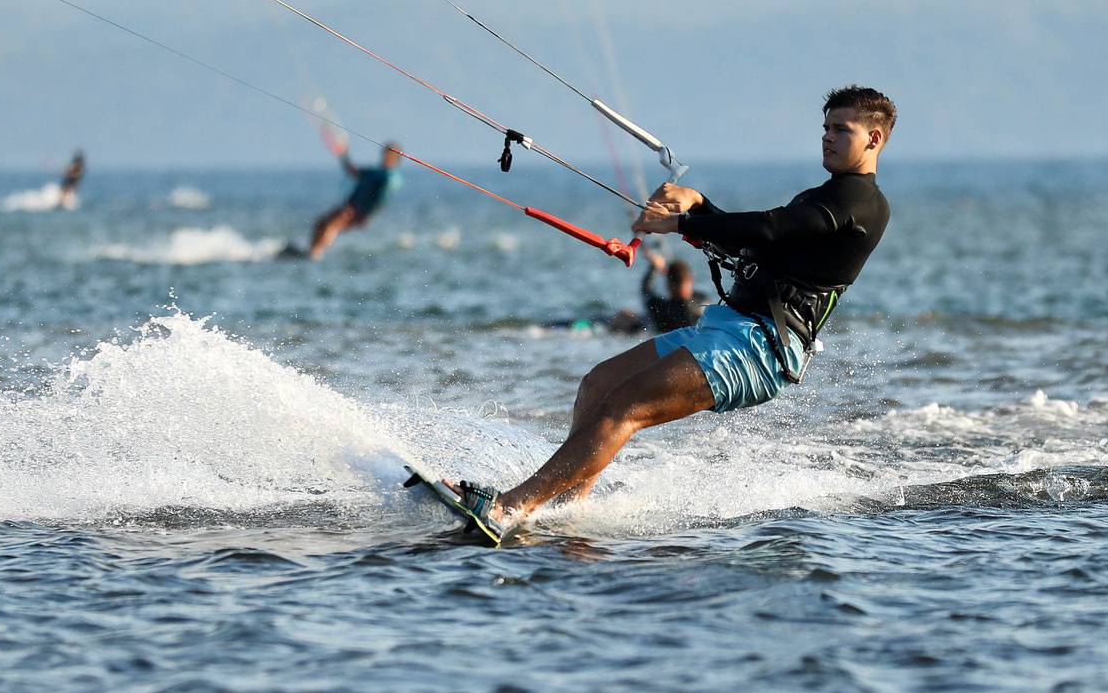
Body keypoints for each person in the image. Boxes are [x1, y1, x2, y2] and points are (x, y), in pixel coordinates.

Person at [445, 86, 895, 542]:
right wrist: (697, 204)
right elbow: (752, 242)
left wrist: (680, 222)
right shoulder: (823, 197)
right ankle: (568, 508)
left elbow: (770, 226)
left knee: (624, 408)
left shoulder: (860, 203)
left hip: (761, 347)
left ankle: (509, 507)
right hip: (725, 329)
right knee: (598, 385)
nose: (828, 137)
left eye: (842, 129)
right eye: (825, 128)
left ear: (874, 139)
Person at [304, 141, 403, 260]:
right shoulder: (375, 172)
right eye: (384, 153)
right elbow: (353, 171)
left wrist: (366, 215)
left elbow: (381, 200)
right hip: (350, 206)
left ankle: (315, 253)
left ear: (395, 158)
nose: (384, 157)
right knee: (320, 222)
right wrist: (343, 155)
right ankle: (310, 250)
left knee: (332, 226)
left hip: (358, 211)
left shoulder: (390, 177)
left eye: (388, 154)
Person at [601, 250, 707, 335]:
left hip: (652, 335)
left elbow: (646, 293)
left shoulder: (663, 308)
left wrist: (654, 268)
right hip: (688, 340)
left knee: (623, 316)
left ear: (668, 284)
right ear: (691, 279)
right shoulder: (703, 301)